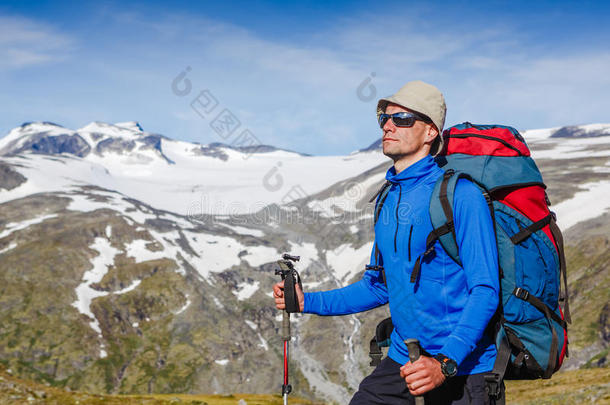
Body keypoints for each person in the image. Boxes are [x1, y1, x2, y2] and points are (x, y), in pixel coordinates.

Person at [273, 80, 503, 404]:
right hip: (403, 360)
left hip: (463, 371)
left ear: (430, 132)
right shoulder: (388, 199)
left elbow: (485, 290)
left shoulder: (461, 197)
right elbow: (377, 286)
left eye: (403, 118)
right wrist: (305, 301)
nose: (389, 125)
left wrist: (444, 363)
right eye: (385, 118)